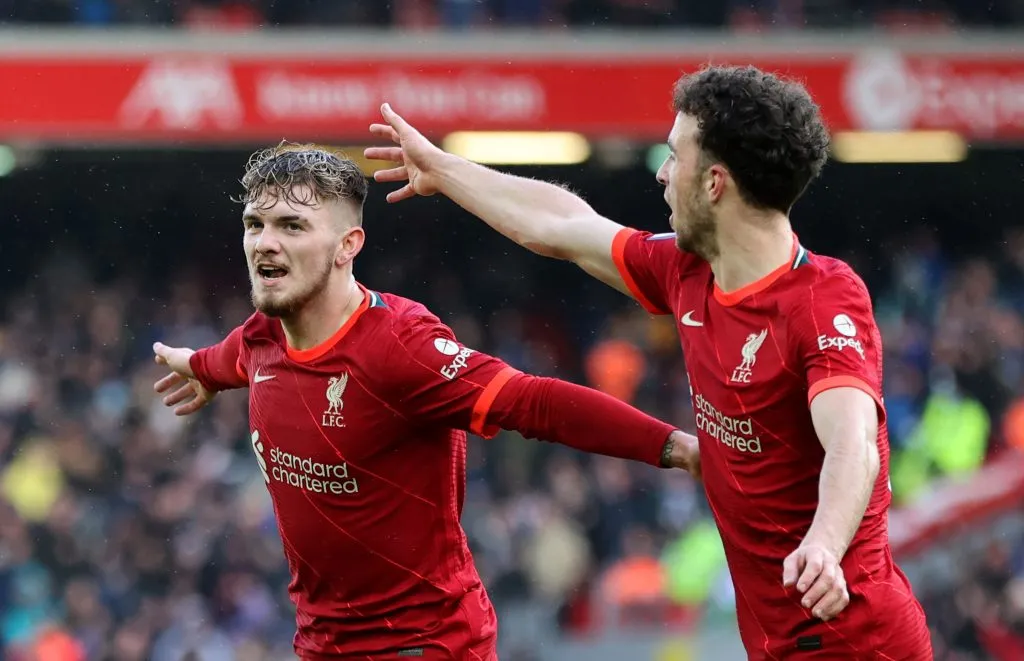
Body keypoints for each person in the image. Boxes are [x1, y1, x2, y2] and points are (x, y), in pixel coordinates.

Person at [365, 65, 932, 659]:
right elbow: (562, 225)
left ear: (714, 183)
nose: (662, 174)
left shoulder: (821, 299)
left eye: (673, 156)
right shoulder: (688, 273)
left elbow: (853, 442)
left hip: (856, 638)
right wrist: (444, 169)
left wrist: (823, 542)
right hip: (778, 640)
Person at [150, 144, 699, 661]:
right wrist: (200, 370)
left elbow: (534, 401)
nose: (265, 242)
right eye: (255, 224)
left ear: (348, 246)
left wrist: (674, 447)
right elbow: (232, 358)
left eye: (292, 226)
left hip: (426, 645)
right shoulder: (262, 335)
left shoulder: (398, 347)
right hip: (321, 646)